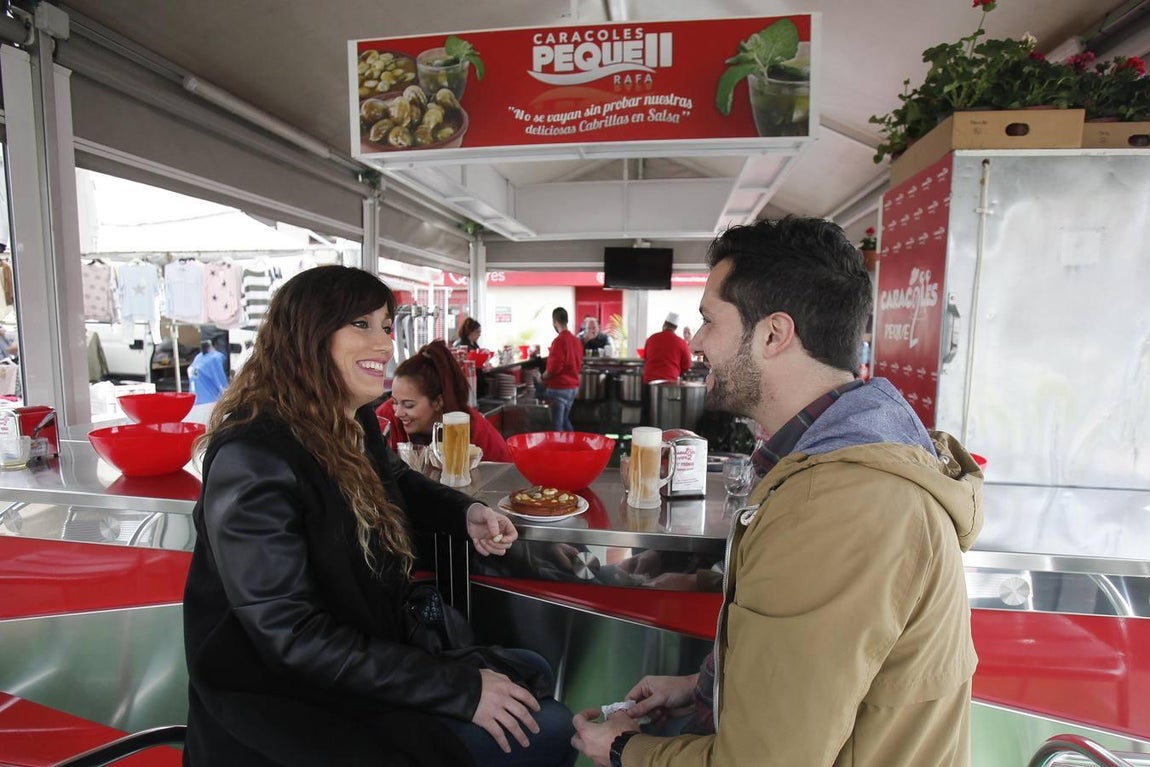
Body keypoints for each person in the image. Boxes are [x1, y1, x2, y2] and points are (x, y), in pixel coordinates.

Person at [572, 217, 984, 767]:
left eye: (709, 321)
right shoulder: (845, 462)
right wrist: (704, 686)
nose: (695, 343)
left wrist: (624, 749)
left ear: (773, 333)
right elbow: (828, 675)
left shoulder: (836, 503)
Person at [183, 265, 575, 767]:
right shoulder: (254, 457)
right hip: (290, 710)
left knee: (533, 668)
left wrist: (466, 513)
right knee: (551, 728)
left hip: (360, 665)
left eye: (386, 326)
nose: (385, 344)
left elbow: (396, 482)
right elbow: (293, 636)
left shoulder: (350, 416)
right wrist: (460, 691)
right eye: (361, 325)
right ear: (307, 334)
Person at [377, 339, 513, 462]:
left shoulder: (472, 429)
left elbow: (505, 473)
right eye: (394, 401)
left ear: (438, 402)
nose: (398, 412)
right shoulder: (385, 418)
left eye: (409, 405)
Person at [639, 312, 692, 425]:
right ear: (676, 327)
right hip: (668, 385)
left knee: (647, 414)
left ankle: (643, 439)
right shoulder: (681, 343)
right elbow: (687, 366)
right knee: (665, 416)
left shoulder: (651, 339)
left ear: (664, 324)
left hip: (649, 382)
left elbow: (645, 358)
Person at [540, 307, 582, 432]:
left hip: (559, 388)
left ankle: (561, 449)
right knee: (564, 420)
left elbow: (554, 368)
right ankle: (572, 446)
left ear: (555, 321)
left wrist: (542, 377)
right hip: (573, 388)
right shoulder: (576, 341)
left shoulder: (558, 341)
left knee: (557, 426)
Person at [187, 340, 228, 406]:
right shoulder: (215, 358)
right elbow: (220, 380)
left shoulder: (198, 358)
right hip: (208, 400)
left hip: (195, 399)